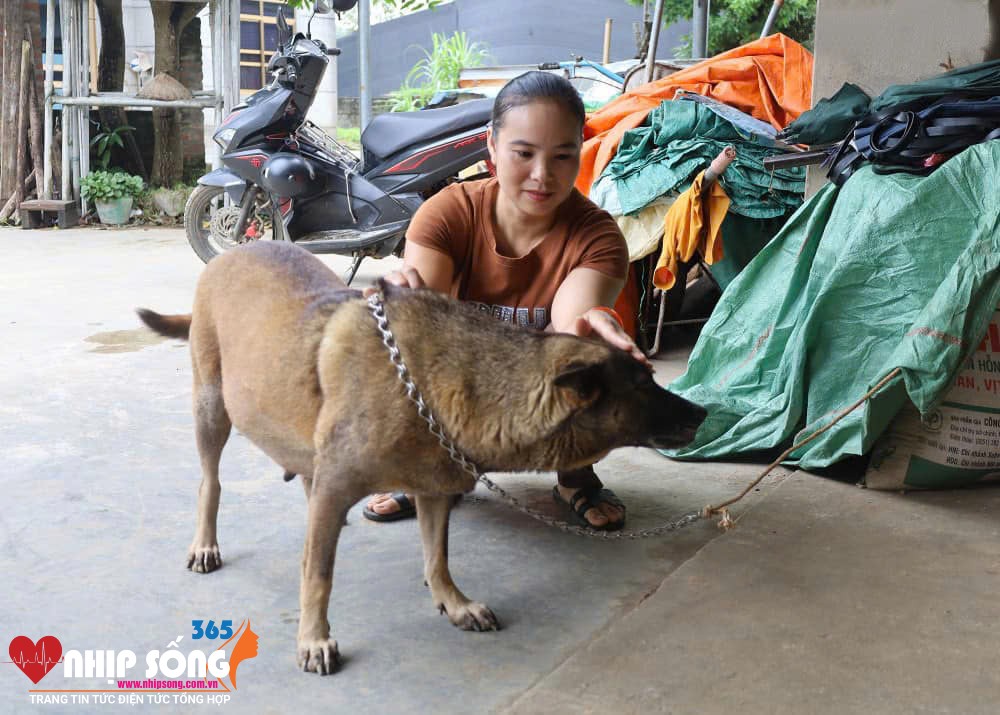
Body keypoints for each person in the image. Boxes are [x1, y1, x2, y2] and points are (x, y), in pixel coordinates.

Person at [362, 71, 648, 531]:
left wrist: (594, 327)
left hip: (542, 385)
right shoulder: (449, 212)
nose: (542, 175)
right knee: (405, 341)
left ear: (580, 152)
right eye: (523, 153)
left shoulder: (597, 236)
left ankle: (574, 476)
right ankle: (433, 466)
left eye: (562, 156)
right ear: (492, 147)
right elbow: (427, 312)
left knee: (592, 358)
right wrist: (404, 304)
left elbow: (572, 319)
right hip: (464, 378)